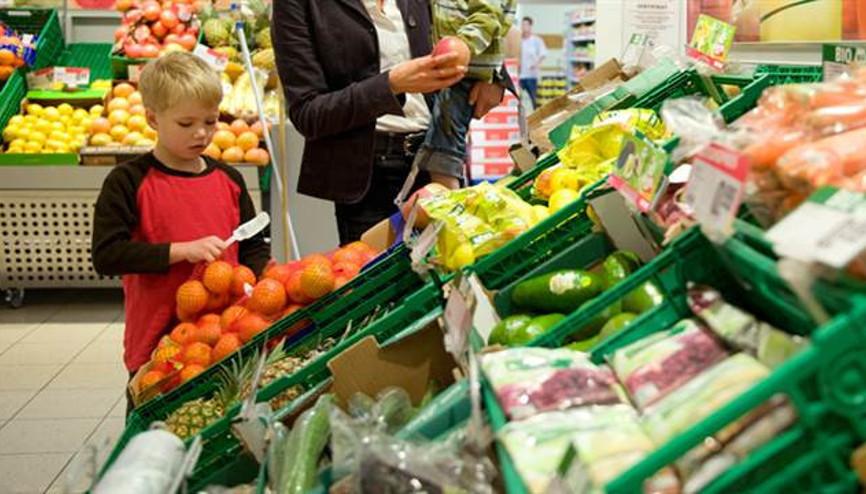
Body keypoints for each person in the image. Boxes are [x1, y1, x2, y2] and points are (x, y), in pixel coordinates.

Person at [91, 52, 270, 415]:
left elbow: (252, 245)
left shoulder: (229, 179)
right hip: (157, 338)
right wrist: (179, 251)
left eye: (211, 120)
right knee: (153, 422)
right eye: (186, 123)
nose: (202, 133)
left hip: (225, 334)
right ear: (152, 119)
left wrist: (257, 281)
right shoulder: (127, 182)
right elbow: (107, 255)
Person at [272, 0, 514, 244]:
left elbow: (469, 13)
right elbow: (308, 113)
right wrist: (391, 84)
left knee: (451, 266)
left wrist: (496, 75)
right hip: (367, 181)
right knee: (375, 277)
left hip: (436, 158)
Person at [411, 0, 517, 190]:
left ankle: (448, 200)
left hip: (463, 67)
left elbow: (489, 16)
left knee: (444, 145)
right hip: (448, 65)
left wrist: (464, 46)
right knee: (444, 139)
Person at [520, 16, 547, 109]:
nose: (524, 27)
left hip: (531, 76)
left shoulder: (536, 40)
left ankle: (536, 120)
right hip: (520, 75)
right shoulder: (519, 40)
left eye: (526, 25)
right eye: (523, 25)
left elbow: (543, 54)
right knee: (517, 100)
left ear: (531, 26)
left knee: (534, 100)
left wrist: (536, 64)